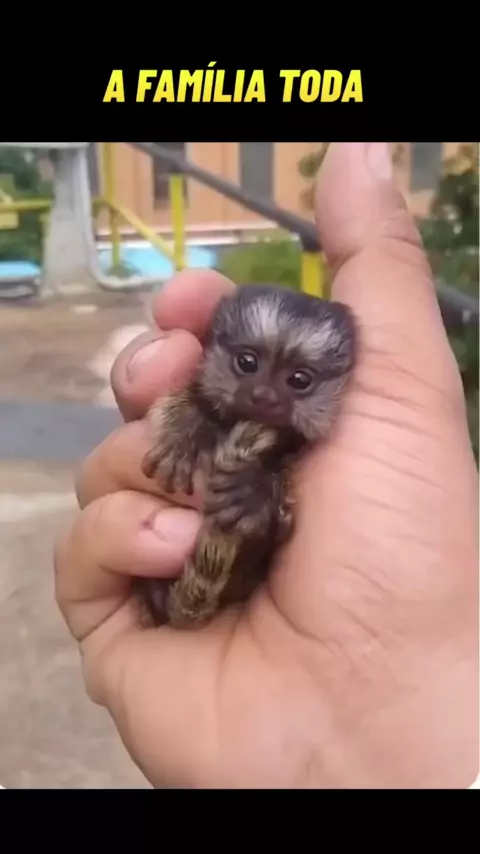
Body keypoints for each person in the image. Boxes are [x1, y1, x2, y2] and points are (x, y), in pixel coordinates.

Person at [54, 142, 478, 789]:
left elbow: (280, 498)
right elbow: (185, 420)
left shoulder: (321, 460)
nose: (266, 395)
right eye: (248, 365)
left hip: (262, 594)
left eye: (299, 381)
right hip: (196, 608)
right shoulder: (193, 406)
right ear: (215, 348)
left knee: (261, 493)